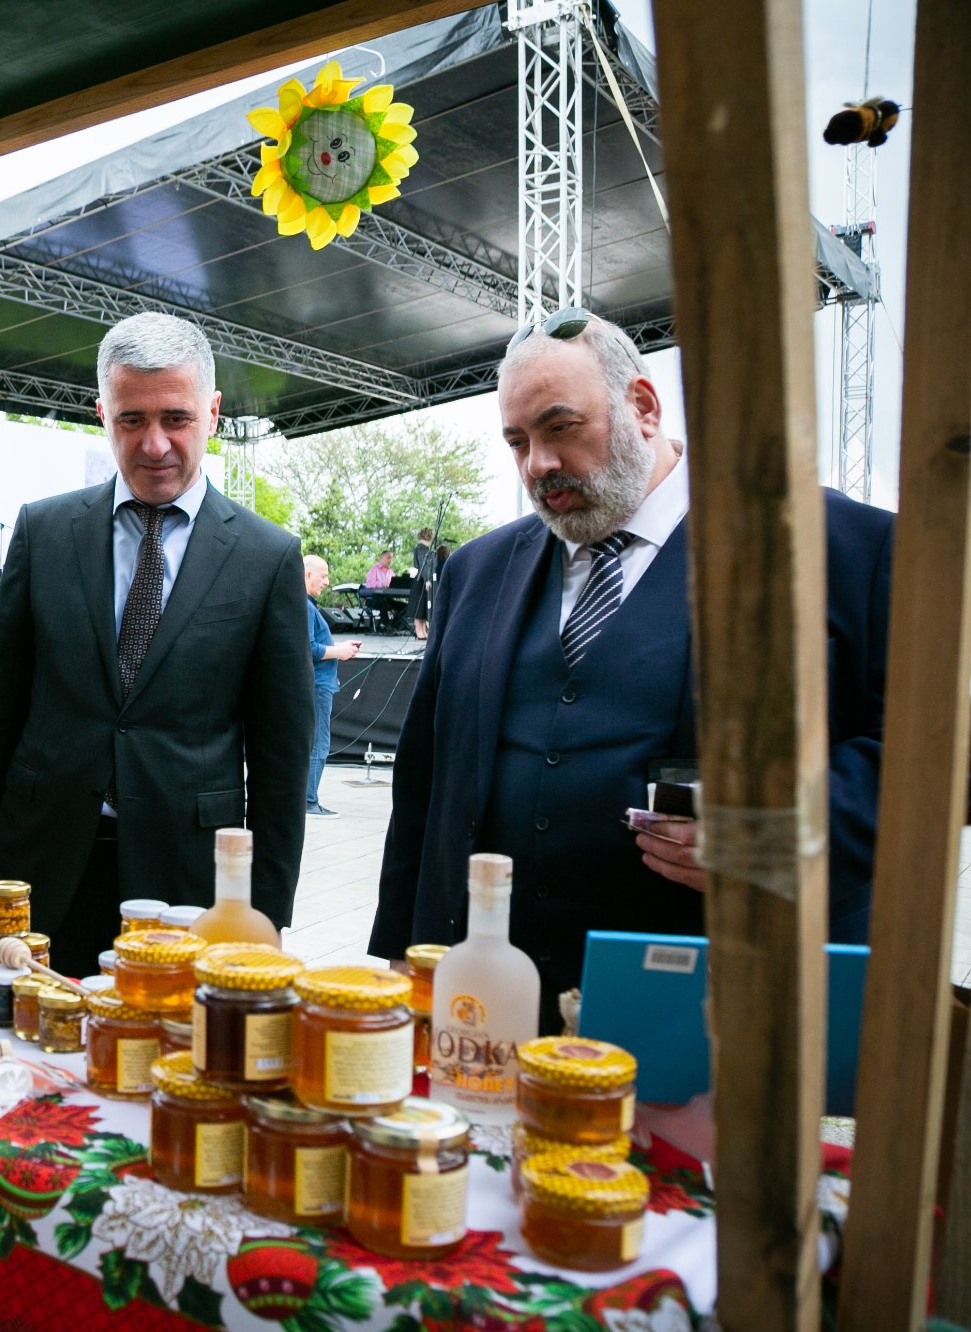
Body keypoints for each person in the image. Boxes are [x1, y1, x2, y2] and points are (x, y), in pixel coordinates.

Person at [369, 309, 891, 1022]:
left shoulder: (841, 550)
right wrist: (405, 947)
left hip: (714, 1008)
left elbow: (927, 758)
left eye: (560, 427)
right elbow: (423, 779)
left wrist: (778, 836)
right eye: (517, 441)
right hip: (487, 1008)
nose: (537, 464)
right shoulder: (476, 571)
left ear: (643, 407)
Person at [0, 313, 313, 975]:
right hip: (40, 866)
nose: (154, 444)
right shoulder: (44, 532)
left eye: (176, 419)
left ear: (212, 413)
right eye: (131, 420)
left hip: (189, 882)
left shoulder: (267, 558)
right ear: (102, 414)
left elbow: (281, 761)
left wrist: (266, 912)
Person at [305, 555, 362, 819]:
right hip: (318, 686)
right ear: (308, 575)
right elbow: (307, 649)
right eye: (324, 575)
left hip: (317, 684)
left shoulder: (306, 606)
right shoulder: (306, 607)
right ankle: (309, 801)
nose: (327, 581)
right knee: (319, 743)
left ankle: (306, 799)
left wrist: (339, 648)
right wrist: (338, 651)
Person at [408, 527, 435, 639]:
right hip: (422, 580)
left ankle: (423, 631)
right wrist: (427, 580)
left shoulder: (424, 548)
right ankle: (419, 632)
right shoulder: (421, 548)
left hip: (423, 580)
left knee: (423, 608)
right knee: (419, 609)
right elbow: (424, 566)